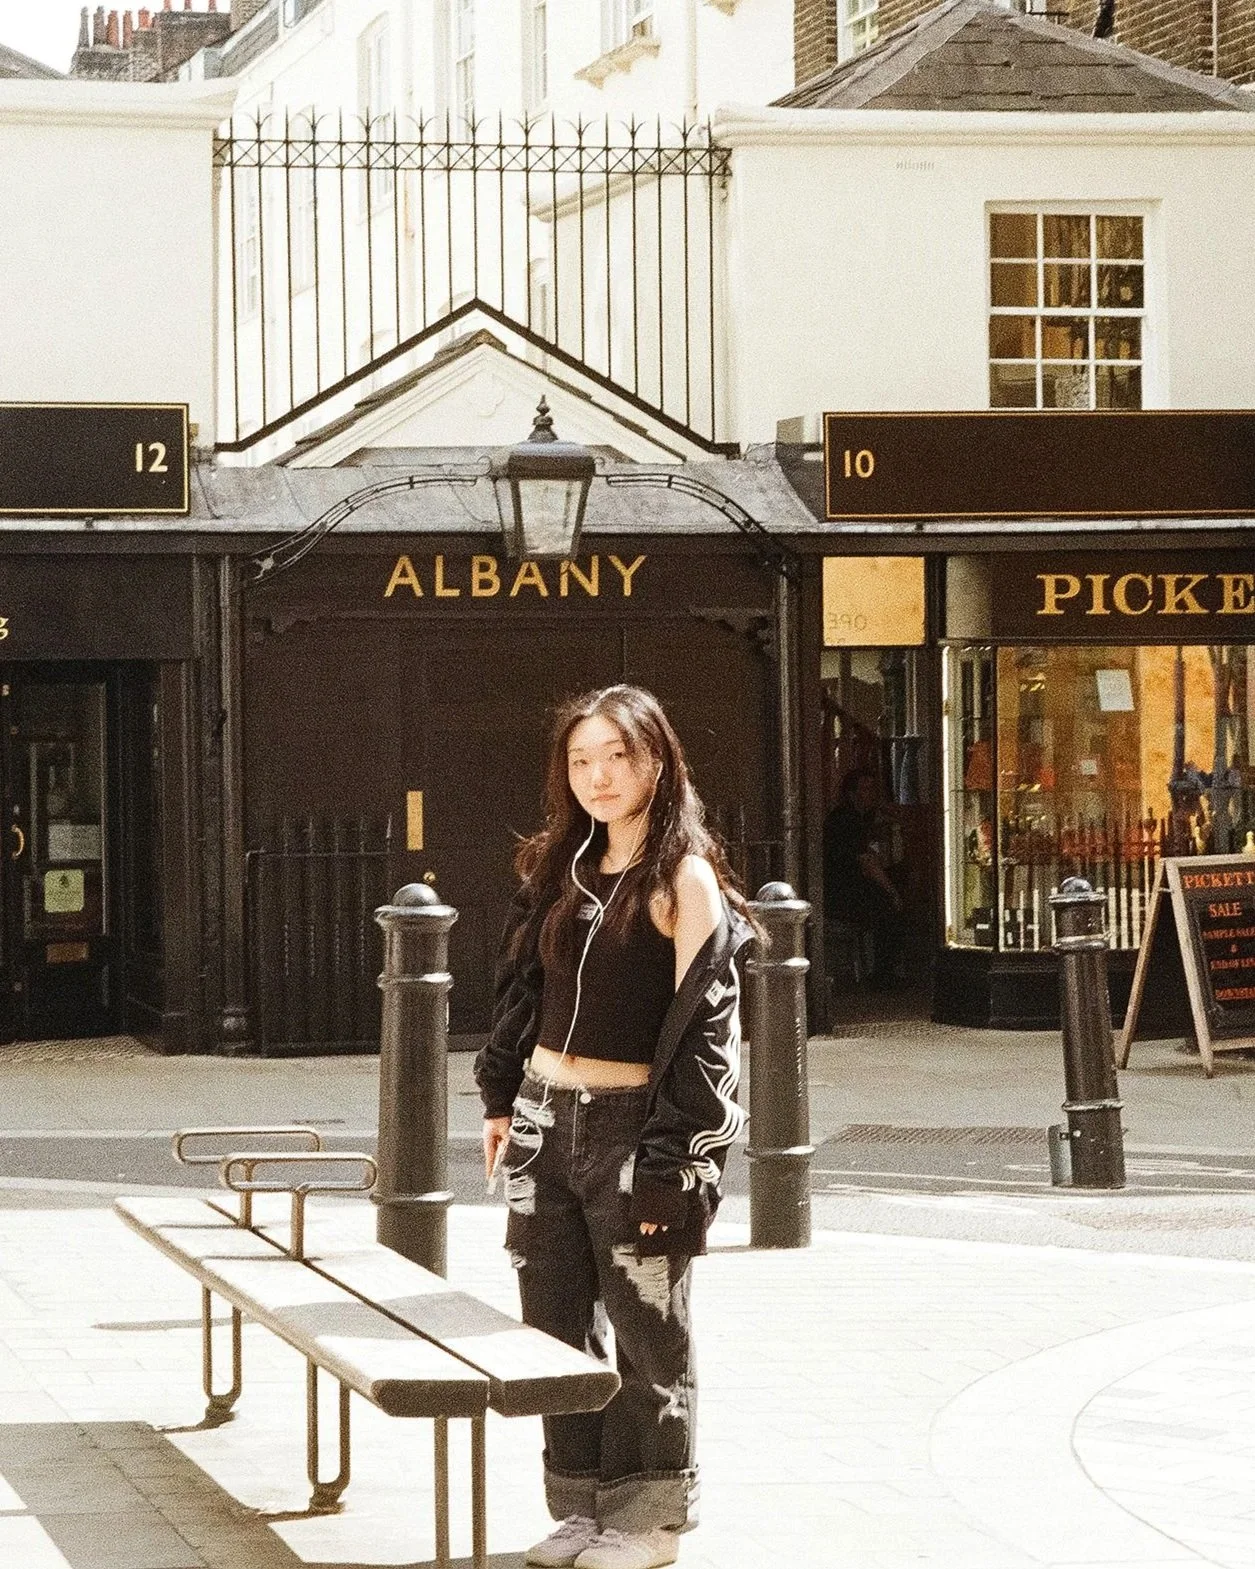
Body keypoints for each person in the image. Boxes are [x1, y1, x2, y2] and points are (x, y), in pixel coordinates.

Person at [475, 684, 755, 1569]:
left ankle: (647, 1519)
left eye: (617, 757)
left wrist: (677, 1162)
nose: (598, 776)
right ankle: (578, 1505)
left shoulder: (683, 878)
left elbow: (709, 1034)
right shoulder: (556, 868)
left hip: (635, 1132)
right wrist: (499, 1097)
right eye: (581, 759)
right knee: (551, 1326)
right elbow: (522, 992)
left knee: (645, 1328)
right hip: (541, 1121)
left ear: (656, 763)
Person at [823, 765, 904, 989]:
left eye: (873, 789)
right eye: (866, 789)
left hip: (848, 887)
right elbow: (867, 861)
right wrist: (892, 893)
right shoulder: (847, 820)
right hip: (842, 893)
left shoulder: (857, 818)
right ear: (852, 793)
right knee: (888, 907)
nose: (872, 794)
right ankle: (883, 973)